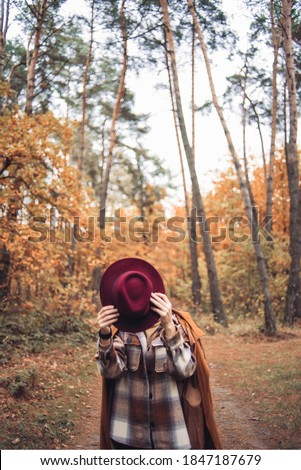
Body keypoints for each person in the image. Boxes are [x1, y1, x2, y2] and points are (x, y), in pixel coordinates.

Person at [95, 257, 221, 450]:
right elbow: (110, 372)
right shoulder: (119, 330)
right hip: (127, 434)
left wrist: (169, 328)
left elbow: (185, 370)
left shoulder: (178, 325)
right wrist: (105, 335)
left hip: (171, 434)